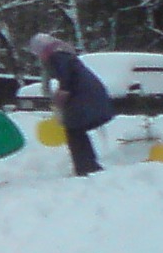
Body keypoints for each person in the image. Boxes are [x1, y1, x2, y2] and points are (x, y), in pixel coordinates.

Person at [28, 32, 115, 176]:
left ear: (42, 49)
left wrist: (61, 94)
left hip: (84, 95)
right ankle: (88, 165)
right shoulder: (61, 53)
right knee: (75, 129)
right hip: (87, 94)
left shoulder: (57, 56)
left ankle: (85, 166)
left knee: (73, 130)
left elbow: (65, 76)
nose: (38, 56)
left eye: (37, 52)